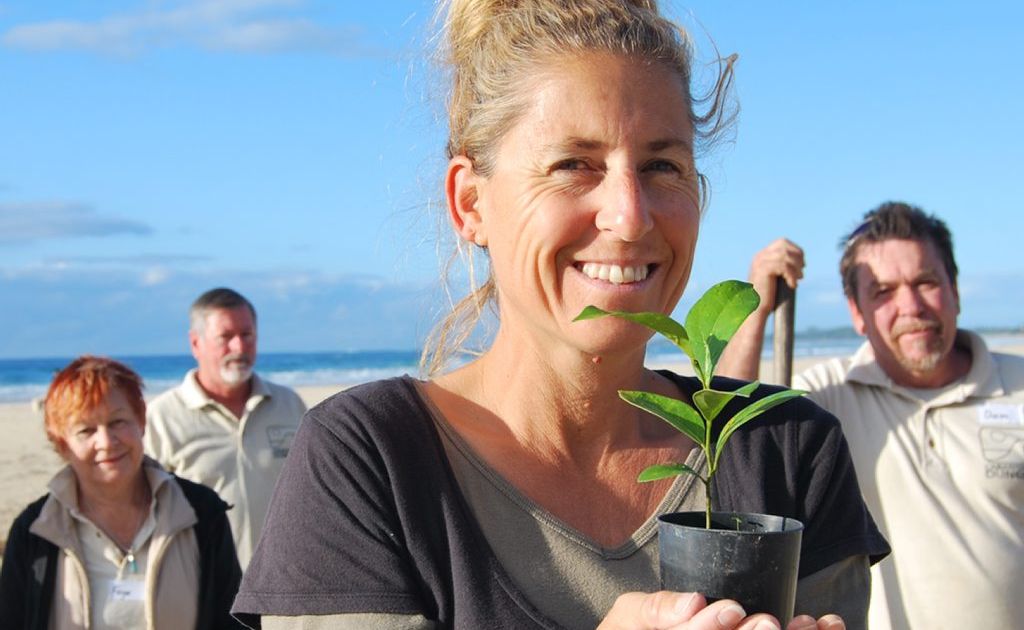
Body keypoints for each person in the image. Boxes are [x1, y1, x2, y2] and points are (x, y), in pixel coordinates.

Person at [233, 1, 889, 629]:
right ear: (470, 204)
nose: (629, 216)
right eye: (574, 165)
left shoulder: (784, 450)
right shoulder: (372, 463)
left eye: (662, 165)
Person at [717, 201, 1024, 629]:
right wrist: (754, 309)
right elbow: (731, 435)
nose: (911, 305)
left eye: (926, 282)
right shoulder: (822, 401)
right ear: (857, 313)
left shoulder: (1019, 386)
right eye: (884, 292)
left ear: (954, 291)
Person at [0, 356, 243, 630]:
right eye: (86, 430)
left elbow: (232, 620)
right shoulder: (34, 532)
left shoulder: (200, 512)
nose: (106, 442)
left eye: (117, 422)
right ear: (62, 444)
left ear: (141, 421)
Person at [144, 288, 306, 569]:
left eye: (247, 335)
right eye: (226, 337)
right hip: (203, 584)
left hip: (281, 584)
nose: (239, 348)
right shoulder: (162, 418)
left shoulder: (289, 405)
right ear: (196, 343)